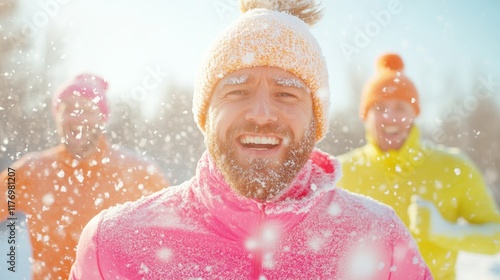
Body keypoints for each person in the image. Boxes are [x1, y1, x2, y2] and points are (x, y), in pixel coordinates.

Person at [70, 1, 432, 279]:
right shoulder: (114, 243)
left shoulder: (381, 238)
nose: (261, 113)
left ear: (316, 117)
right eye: (238, 91)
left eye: (287, 94)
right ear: (205, 113)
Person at [337, 52, 500, 279]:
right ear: (365, 116)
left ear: (415, 114)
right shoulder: (339, 173)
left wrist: (444, 232)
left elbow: (495, 238)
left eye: (400, 107)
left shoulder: (453, 167)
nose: (390, 117)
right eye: (380, 107)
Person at [0, 73, 169, 279]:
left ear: (102, 118)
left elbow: (172, 242)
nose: (77, 117)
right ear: (57, 116)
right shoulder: (29, 171)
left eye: (88, 110)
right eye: (69, 108)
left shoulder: (139, 172)